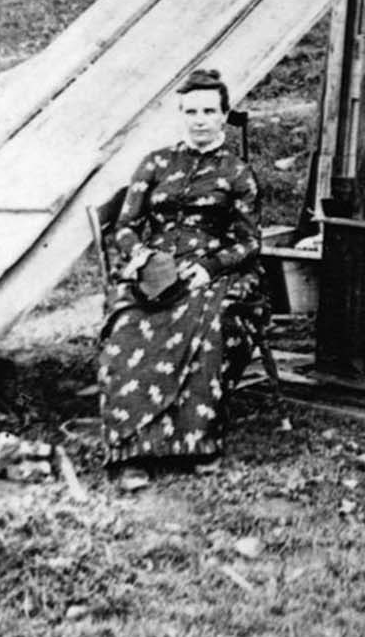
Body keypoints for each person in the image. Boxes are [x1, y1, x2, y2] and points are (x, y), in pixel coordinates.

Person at [97, 67, 270, 488]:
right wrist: (140, 256)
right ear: (181, 114)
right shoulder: (155, 163)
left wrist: (208, 268)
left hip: (215, 273)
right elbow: (124, 225)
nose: (199, 119)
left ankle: (197, 444)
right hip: (153, 272)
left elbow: (249, 242)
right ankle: (131, 452)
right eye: (190, 110)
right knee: (127, 329)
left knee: (209, 329)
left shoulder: (237, 173)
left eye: (209, 110)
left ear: (223, 115)